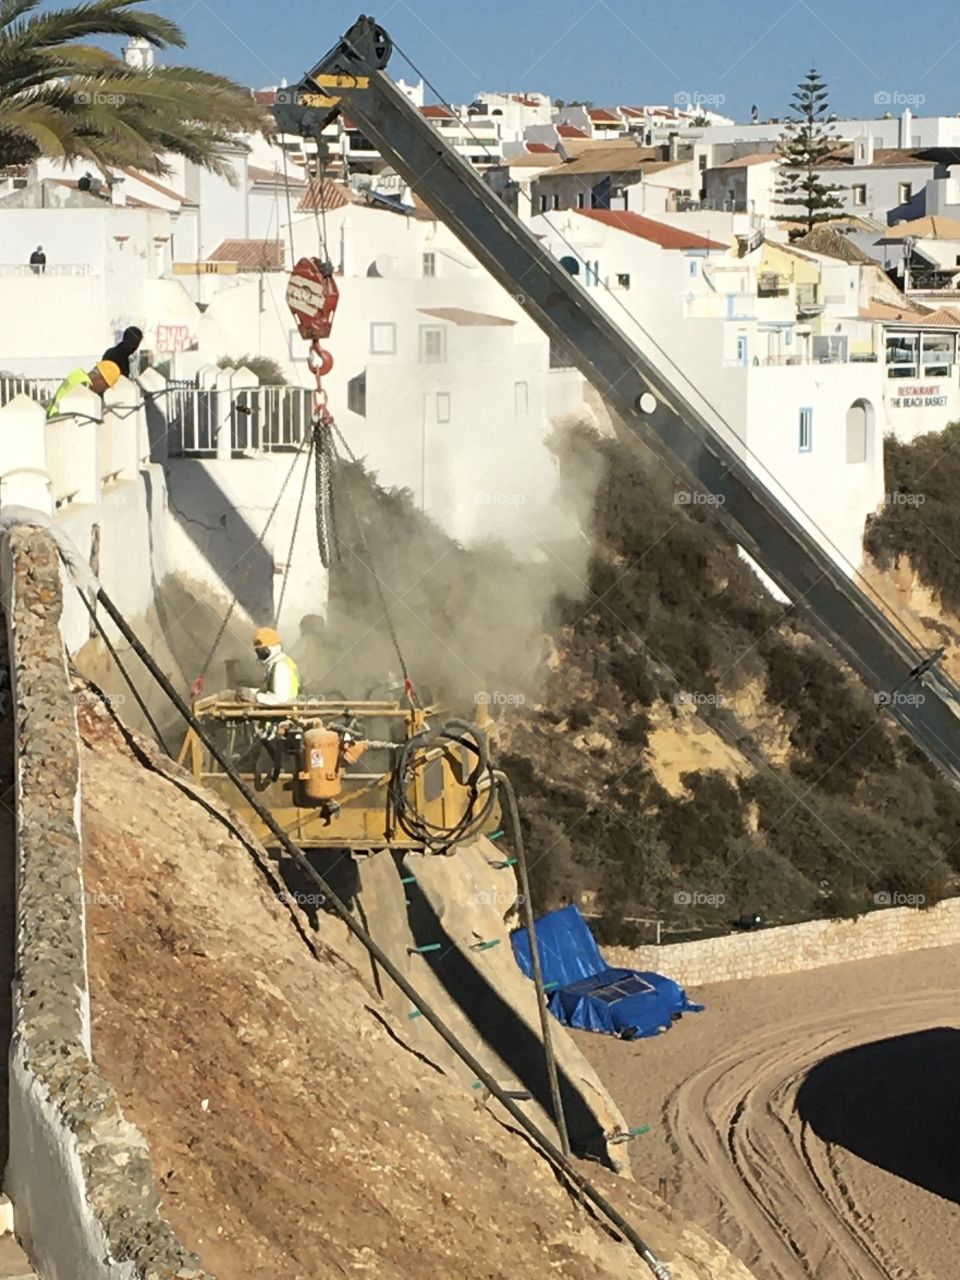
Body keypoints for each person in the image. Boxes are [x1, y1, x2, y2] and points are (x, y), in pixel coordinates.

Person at [237, 627, 301, 707]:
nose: (260, 655)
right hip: (284, 712)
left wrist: (255, 697)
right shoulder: (277, 663)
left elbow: (280, 699)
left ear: (273, 647)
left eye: (262, 651)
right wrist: (250, 692)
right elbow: (269, 691)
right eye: (258, 651)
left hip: (284, 714)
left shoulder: (280, 667)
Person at [47, 360, 121, 419]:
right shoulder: (83, 386)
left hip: (55, 415)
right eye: (105, 386)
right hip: (58, 418)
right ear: (100, 380)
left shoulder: (78, 374)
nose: (103, 391)